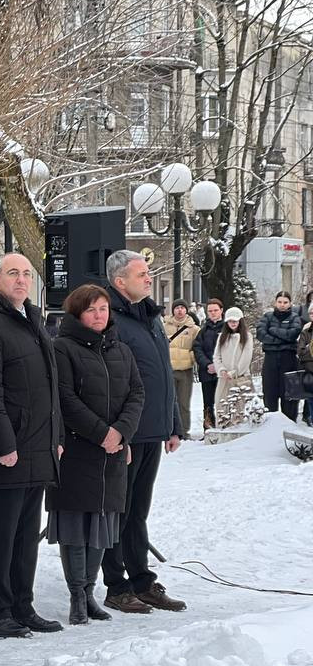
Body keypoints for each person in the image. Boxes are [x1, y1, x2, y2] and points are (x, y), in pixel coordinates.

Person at [0, 253, 63, 638]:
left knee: (26, 533)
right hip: (7, 450)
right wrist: (3, 444)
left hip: (38, 446)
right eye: (13, 274)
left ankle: (23, 605)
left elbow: (49, 386)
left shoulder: (33, 320)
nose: (21, 280)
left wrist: (54, 439)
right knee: (2, 533)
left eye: (26, 274)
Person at [47, 285, 145, 624]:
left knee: (103, 525)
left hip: (114, 452)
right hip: (77, 451)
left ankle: (90, 593)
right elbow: (65, 399)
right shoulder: (63, 348)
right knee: (76, 526)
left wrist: (121, 432)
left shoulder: (121, 349)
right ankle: (76, 595)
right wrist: (101, 432)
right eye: (92, 310)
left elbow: (136, 392)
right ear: (77, 314)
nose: (100, 315)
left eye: (104, 308)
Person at [101, 250, 186, 614]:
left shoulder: (150, 316)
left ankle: (142, 580)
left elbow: (163, 375)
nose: (149, 279)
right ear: (120, 282)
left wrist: (174, 424)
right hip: (128, 433)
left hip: (153, 430)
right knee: (117, 511)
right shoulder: (111, 319)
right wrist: (120, 432)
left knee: (137, 511)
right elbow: (109, 382)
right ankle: (117, 586)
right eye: (142, 274)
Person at [256, 292, 302, 420]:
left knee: (289, 395)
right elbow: (260, 334)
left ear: (290, 303)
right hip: (270, 359)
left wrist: (273, 331)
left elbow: (292, 334)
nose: (282, 305)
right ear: (275, 302)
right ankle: (270, 426)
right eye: (280, 302)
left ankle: (289, 425)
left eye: (285, 302)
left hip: (288, 359)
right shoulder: (267, 316)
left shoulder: (294, 317)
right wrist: (282, 340)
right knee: (270, 394)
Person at [213, 306, 255, 429]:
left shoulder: (247, 336)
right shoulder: (222, 337)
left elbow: (246, 358)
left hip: (240, 378)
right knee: (222, 406)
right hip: (224, 378)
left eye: (235, 321)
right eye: (230, 321)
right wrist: (221, 370)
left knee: (239, 408)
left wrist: (234, 372)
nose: (233, 323)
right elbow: (217, 356)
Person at [163, 299, 199, 437]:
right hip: (169, 369)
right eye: (177, 308)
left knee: (183, 402)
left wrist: (192, 357)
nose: (179, 310)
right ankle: (169, 429)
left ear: (186, 310)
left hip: (185, 370)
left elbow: (198, 346)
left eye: (182, 308)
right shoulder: (164, 326)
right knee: (169, 401)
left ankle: (184, 430)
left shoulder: (193, 329)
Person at [193, 299, 225, 430]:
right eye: (210, 311)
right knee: (208, 403)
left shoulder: (227, 328)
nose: (212, 313)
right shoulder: (203, 330)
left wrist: (218, 366)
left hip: (223, 371)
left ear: (221, 311)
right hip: (207, 372)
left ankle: (224, 427)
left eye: (215, 310)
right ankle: (209, 429)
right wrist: (207, 365)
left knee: (223, 401)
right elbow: (197, 348)